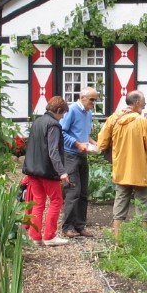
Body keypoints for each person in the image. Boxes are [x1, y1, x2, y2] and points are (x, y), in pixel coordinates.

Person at [97, 90, 147, 239]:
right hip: (140, 170)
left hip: (121, 169)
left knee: (120, 201)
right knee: (142, 204)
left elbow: (101, 143)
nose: (144, 106)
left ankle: (117, 238)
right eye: (144, 103)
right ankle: (141, 239)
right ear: (137, 103)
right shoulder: (142, 122)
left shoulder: (114, 118)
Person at [22, 95, 71, 246]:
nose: (62, 117)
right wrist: (62, 171)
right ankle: (49, 236)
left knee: (38, 202)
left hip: (33, 170)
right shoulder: (53, 125)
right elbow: (53, 151)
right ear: (57, 110)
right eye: (62, 114)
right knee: (56, 201)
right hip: (47, 171)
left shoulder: (37, 122)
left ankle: (35, 237)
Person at [59, 86, 99, 239]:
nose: (94, 103)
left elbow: (83, 134)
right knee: (73, 191)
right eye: (92, 99)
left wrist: (92, 142)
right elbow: (62, 131)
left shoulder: (88, 113)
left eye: (95, 100)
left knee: (83, 192)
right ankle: (67, 226)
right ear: (82, 97)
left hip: (82, 155)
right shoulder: (72, 110)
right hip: (70, 155)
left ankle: (80, 226)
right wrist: (77, 144)